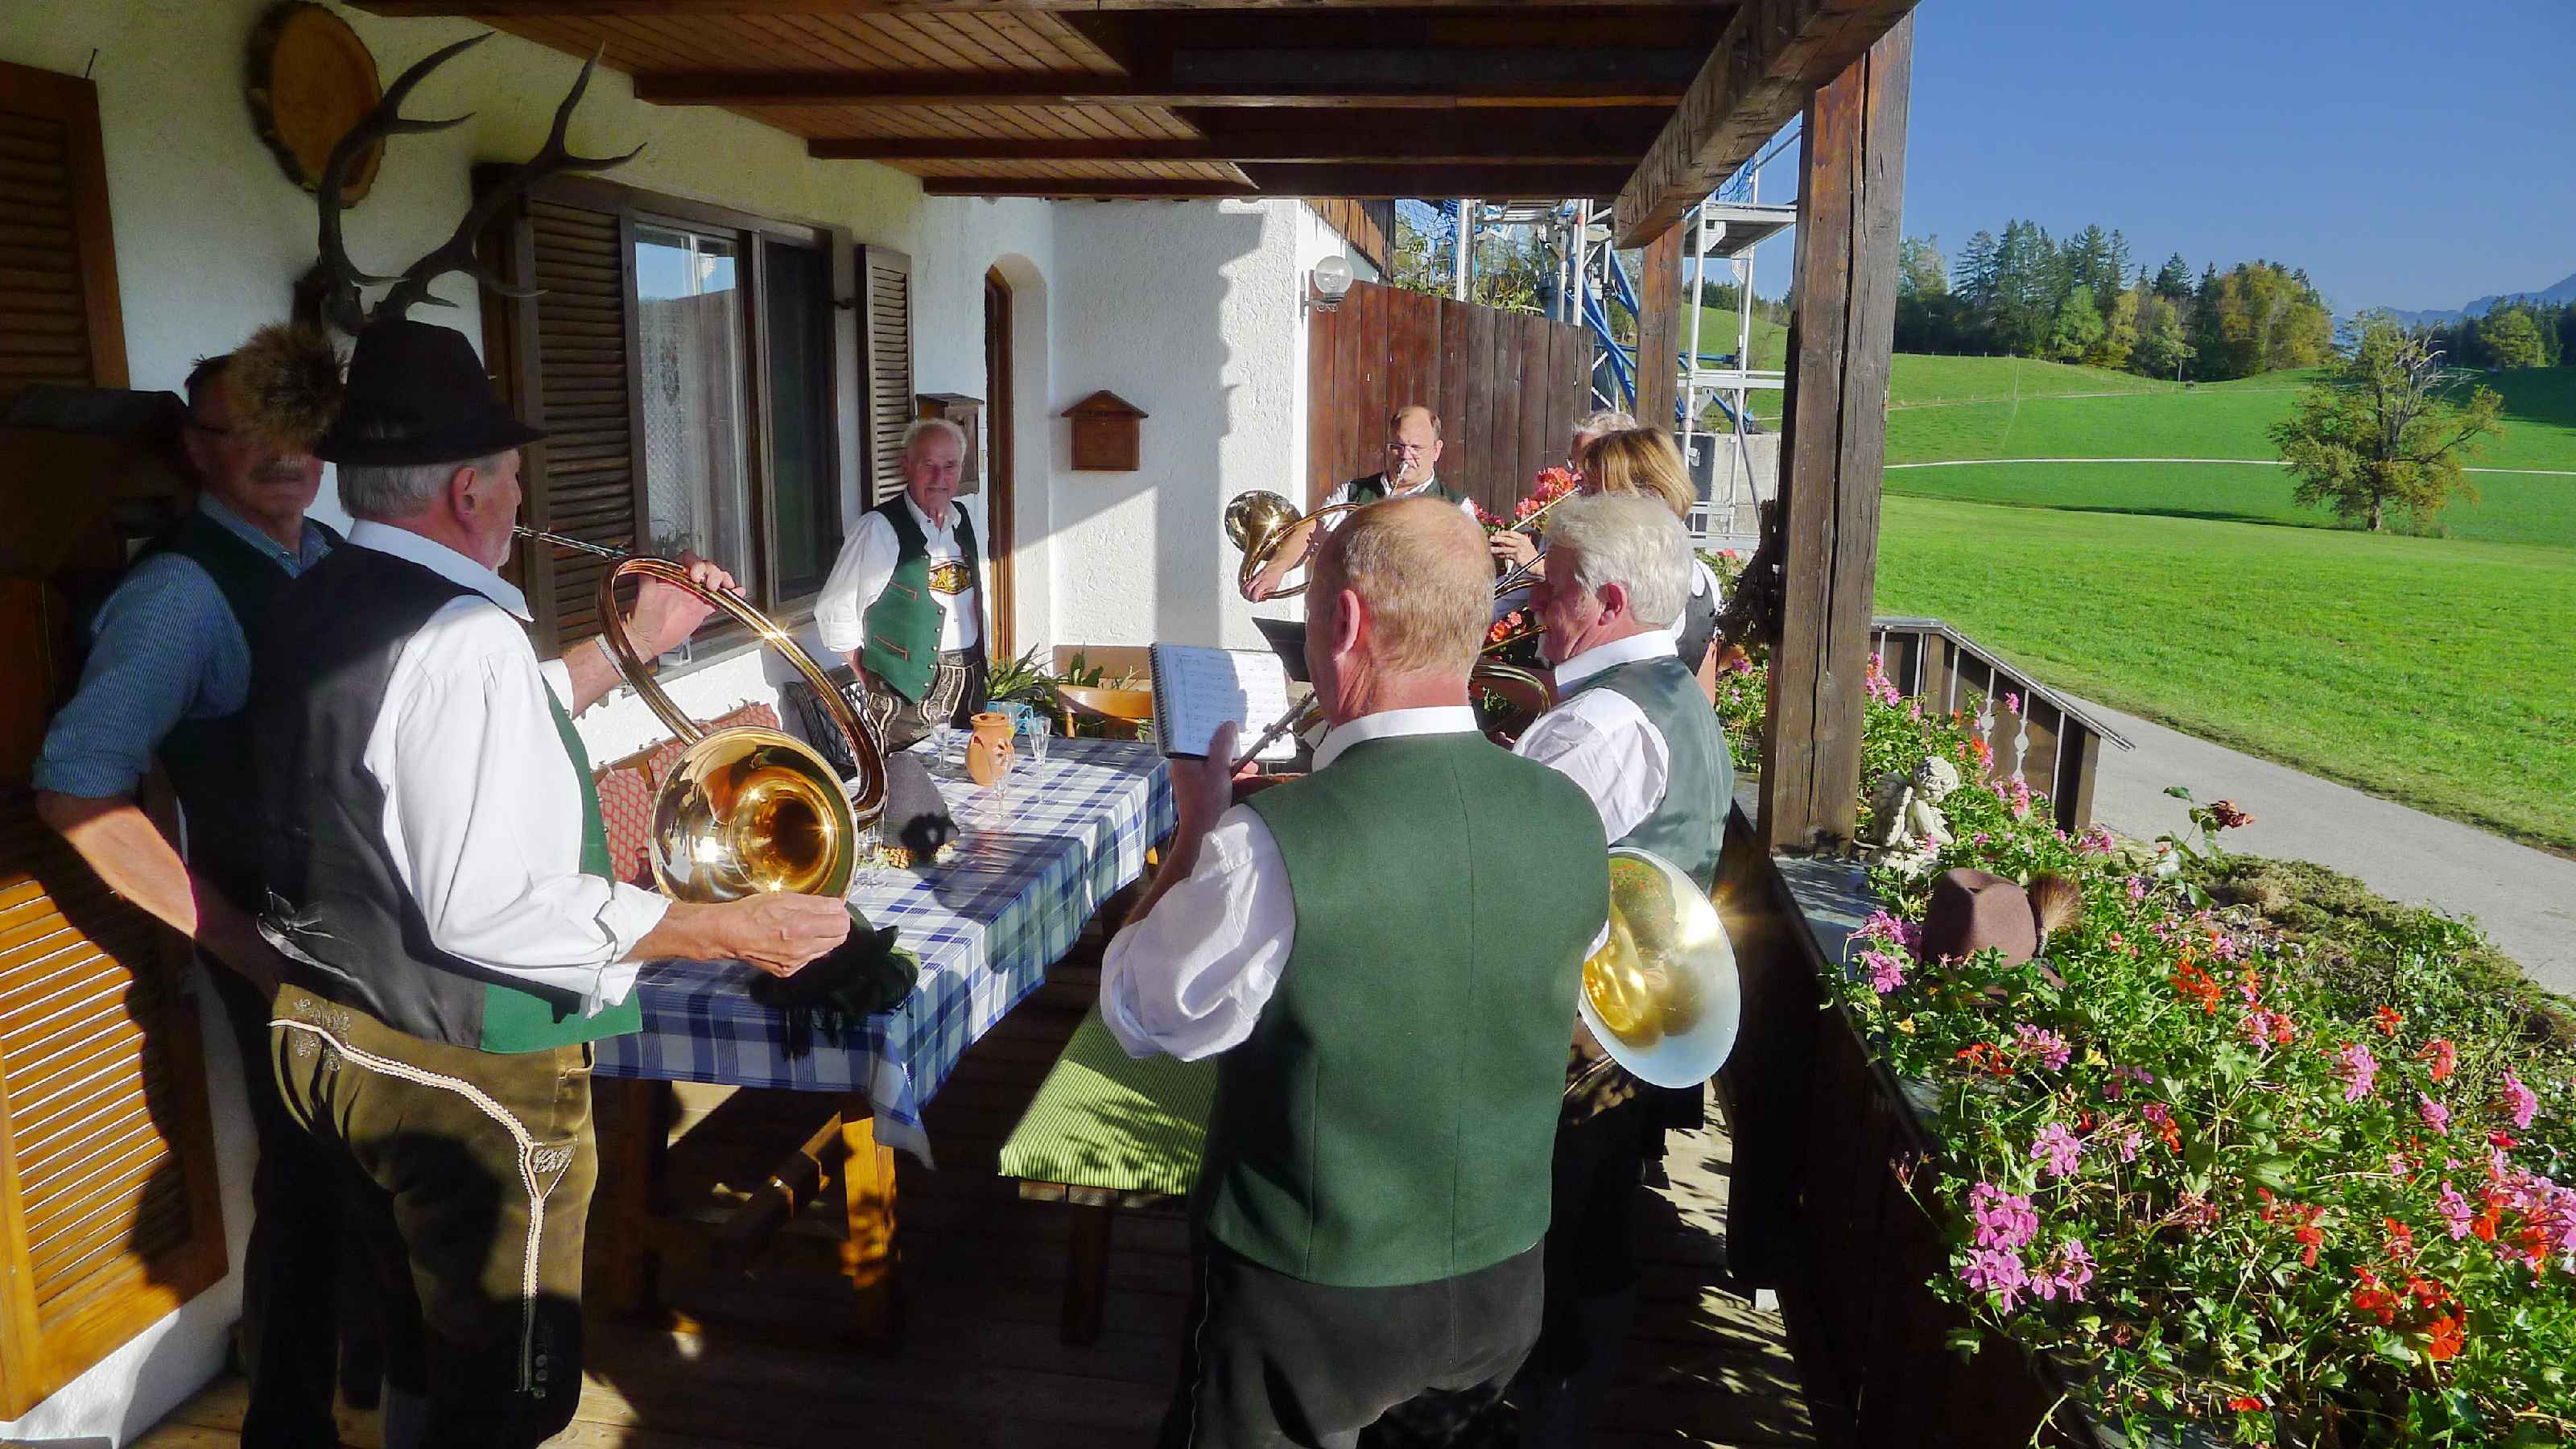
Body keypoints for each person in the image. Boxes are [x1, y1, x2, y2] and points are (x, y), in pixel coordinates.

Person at [251, 318, 852, 1448]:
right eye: (514, 478)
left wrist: (634, 642)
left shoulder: (317, 594)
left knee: (415, 1344)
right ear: (469, 491)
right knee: (509, 1398)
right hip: (463, 1070)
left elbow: (448, 731)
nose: (522, 499)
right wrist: (722, 930)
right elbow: (486, 902)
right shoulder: (464, 634)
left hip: (325, 1034)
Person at [1103, 497, 1610, 1448]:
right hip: (1504, 1280)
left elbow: (1140, 1015)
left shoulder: (1266, 844)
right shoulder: (1572, 816)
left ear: (1340, 623)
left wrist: (1196, 831)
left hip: (1310, 1302)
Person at [31, 345, 351, 1448]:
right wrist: (244, 949)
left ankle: (372, 1384)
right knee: (309, 1193)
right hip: (288, 950)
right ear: (194, 450)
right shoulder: (178, 594)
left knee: (382, 1183)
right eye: (245, 428)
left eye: (295, 425)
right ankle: (289, 1428)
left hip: (375, 941)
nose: (279, 452)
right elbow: (77, 790)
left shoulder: (331, 559)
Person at [1508, 493, 1735, 1447]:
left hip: (1570, 1040)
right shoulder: (1674, 690)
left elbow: (1503, 892)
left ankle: (1537, 1407)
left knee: (1549, 1246)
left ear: (1606, 601)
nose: (1532, 601)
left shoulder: (1597, 725)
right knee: (1594, 1232)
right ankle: (1569, 1394)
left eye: (1551, 585)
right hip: (1627, 1029)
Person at [814, 418, 988, 753]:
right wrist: (869, 674)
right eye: (928, 465)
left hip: (970, 684)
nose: (939, 477)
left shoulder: (961, 519)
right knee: (912, 781)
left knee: (970, 778)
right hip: (905, 695)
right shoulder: (878, 528)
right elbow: (834, 611)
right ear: (905, 466)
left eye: (950, 466)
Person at [1490, 427, 1723, 675]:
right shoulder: (1703, 576)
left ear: (1634, 495)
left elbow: (1579, 685)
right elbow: (1702, 686)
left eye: (1592, 491)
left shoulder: (1625, 577)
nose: (1581, 500)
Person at [1248, 404, 1478, 601]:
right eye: (1397, 447)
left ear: (1436, 450)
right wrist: (1276, 568)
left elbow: (1470, 573)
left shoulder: (1457, 507)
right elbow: (1314, 529)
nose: (1405, 456)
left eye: (1416, 448)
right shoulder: (1353, 493)